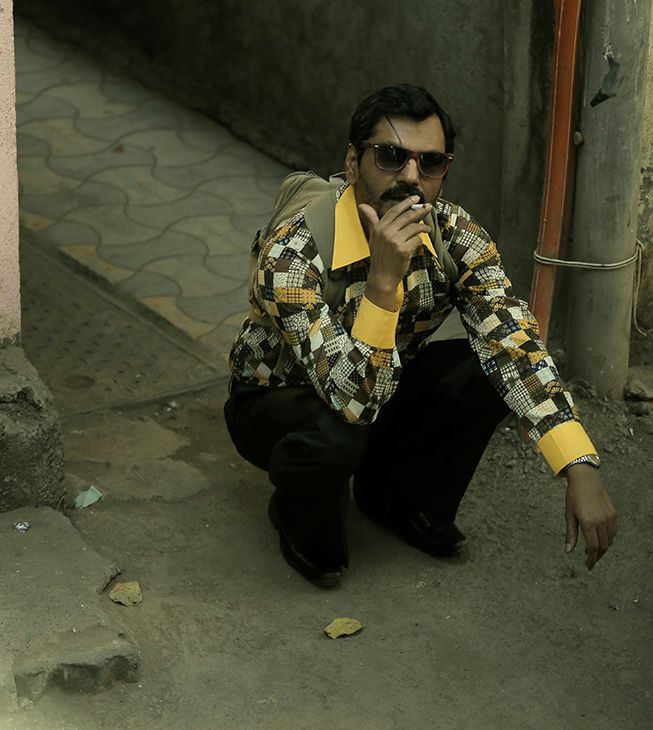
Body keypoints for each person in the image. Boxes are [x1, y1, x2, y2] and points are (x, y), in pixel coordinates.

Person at [224, 83, 617, 587]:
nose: (410, 177)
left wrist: (578, 465)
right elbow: (353, 403)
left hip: (378, 385)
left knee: (487, 369)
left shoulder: (453, 233)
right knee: (336, 437)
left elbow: (512, 341)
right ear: (353, 163)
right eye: (390, 156)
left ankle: (396, 500)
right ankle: (297, 514)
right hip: (281, 401)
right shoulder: (292, 254)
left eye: (429, 163)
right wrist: (383, 282)